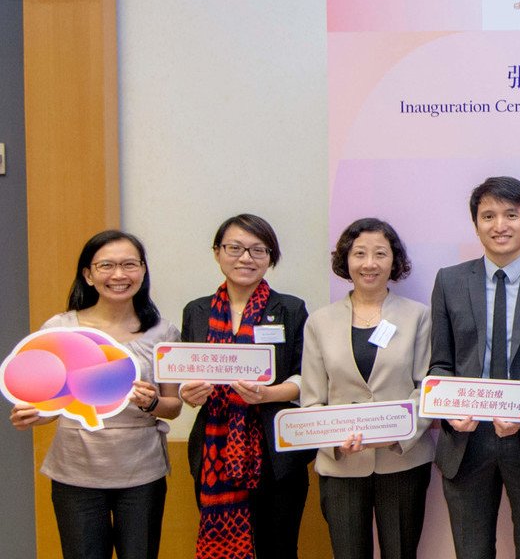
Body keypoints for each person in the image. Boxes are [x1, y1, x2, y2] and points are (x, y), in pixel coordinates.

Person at [9, 231, 179, 559]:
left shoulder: (164, 331)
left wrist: (152, 403)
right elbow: (52, 403)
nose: (119, 275)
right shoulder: (60, 328)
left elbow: (172, 407)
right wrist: (33, 414)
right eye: (107, 265)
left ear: (143, 271)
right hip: (76, 471)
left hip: (142, 472)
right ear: (88, 274)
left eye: (130, 264)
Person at [428, 176, 520, 559]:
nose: (500, 225)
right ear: (475, 224)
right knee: (471, 551)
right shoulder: (450, 281)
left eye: (511, 214)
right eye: (488, 215)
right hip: (467, 440)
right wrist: (449, 409)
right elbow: (441, 364)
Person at [298, 218, 434, 559]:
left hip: (401, 461)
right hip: (341, 462)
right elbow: (312, 399)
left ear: (395, 261)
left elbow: (425, 388)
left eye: (380, 254)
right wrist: (333, 439)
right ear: (346, 259)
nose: (369, 263)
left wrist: (398, 434)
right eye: (359, 253)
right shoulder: (319, 321)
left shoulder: (418, 316)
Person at [179, 214, 311, 559]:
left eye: (257, 250)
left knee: (278, 548)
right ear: (217, 252)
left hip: (275, 453)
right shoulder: (196, 311)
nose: (245, 258)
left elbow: (305, 378)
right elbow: (184, 371)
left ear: (271, 256)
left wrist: (268, 394)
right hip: (214, 452)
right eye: (234, 248)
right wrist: (187, 394)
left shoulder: (290, 309)